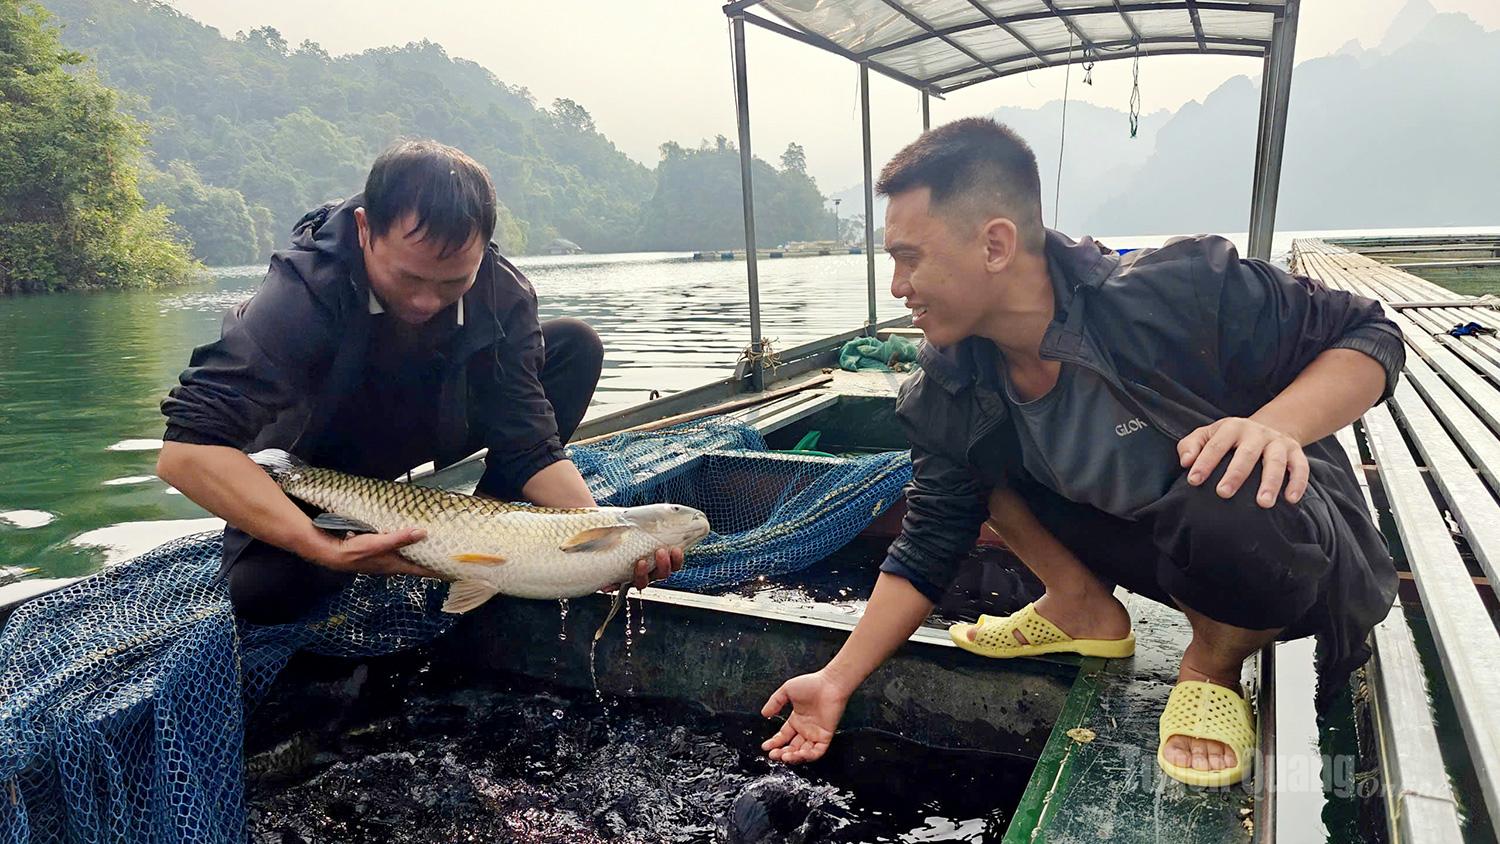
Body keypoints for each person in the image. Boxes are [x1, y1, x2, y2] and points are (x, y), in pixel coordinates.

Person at [760, 118, 1401, 787]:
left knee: (1225, 483)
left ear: (996, 244)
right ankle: (1079, 606)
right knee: (979, 464)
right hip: (1159, 543)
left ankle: (1212, 665)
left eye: (910, 257)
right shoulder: (952, 385)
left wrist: (1276, 425)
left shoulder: (1174, 291)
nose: (897, 286)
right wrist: (835, 680)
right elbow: (929, 538)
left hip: (1281, 549)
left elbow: (1369, 330)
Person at [157, 140, 683, 625]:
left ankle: (489, 546)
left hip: (424, 421)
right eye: (408, 278)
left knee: (574, 346)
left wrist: (599, 542)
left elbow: (530, 445)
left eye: (455, 281)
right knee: (265, 595)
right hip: (318, 455)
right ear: (365, 230)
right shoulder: (302, 293)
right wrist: (322, 547)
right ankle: (381, 544)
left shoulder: (504, 293)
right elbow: (188, 454)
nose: (428, 302)